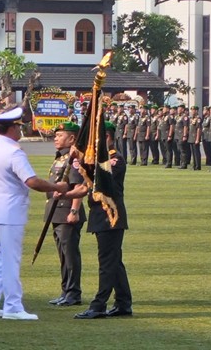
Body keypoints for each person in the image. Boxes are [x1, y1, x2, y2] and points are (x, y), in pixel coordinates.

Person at [0, 107, 69, 321]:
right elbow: (32, 181)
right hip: (9, 210)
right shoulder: (14, 151)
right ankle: (13, 307)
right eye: (18, 126)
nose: (20, 130)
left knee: (2, 257)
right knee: (11, 260)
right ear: (12, 128)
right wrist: (57, 187)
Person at [64, 121, 132, 320]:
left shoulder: (115, 159)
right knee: (114, 262)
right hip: (99, 216)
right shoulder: (99, 160)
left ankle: (98, 305)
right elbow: (87, 186)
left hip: (110, 216)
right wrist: (64, 195)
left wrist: (83, 160)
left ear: (107, 138)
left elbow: (102, 179)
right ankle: (123, 303)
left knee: (107, 263)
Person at [46, 122, 86, 306]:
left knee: (70, 255)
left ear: (71, 138)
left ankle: (73, 293)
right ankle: (65, 290)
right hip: (56, 211)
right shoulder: (61, 158)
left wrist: (74, 210)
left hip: (67, 211)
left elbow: (79, 186)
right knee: (63, 255)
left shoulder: (74, 159)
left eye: (60, 135)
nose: (56, 138)